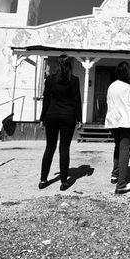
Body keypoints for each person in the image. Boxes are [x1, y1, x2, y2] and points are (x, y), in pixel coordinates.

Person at [39, 55, 82, 191]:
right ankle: (64, 182)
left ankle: (43, 179)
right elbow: (76, 100)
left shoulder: (50, 80)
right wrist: (79, 118)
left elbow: (46, 100)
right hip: (68, 116)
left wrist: (42, 118)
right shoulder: (74, 80)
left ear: (57, 66)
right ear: (70, 66)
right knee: (64, 148)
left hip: (51, 115)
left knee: (50, 148)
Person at [105, 61, 130, 194]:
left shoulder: (111, 85)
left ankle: (115, 174)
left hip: (113, 120)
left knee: (117, 146)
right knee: (125, 149)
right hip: (125, 120)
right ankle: (121, 183)